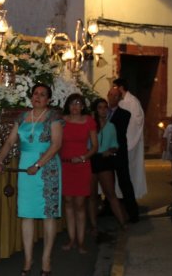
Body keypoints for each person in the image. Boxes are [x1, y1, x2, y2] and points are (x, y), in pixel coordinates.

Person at [0, 83, 63, 276]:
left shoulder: (54, 117)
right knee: (26, 214)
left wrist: (38, 165)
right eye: (35, 94)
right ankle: (27, 260)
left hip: (47, 168)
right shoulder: (22, 117)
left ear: (48, 99)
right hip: (26, 168)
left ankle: (46, 260)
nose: (37, 97)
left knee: (48, 215)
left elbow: (56, 145)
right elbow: (9, 142)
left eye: (42, 94)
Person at [60, 93, 98, 253]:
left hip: (82, 165)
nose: (75, 106)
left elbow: (95, 146)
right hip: (65, 165)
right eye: (72, 103)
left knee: (80, 204)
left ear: (83, 106)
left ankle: (81, 242)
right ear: (68, 105)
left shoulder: (89, 121)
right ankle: (71, 239)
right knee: (68, 203)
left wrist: (83, 157)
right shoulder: (61, 121)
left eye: (78, 104)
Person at [88, 98, 127, 233]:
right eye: (100, 107)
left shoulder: (111, 126)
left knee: (111, 194)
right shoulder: (91, 125)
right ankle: (93, 226)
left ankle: (123, 223)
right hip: (91, 159)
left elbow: (115, 145)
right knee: (92, 196)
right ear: (95, 109)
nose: (103, 110)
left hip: (105, 161)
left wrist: (110, 151)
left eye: (105, 107)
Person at [107, 86, 140, 222]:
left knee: (124, 182)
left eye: (116, 96)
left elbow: (118, 131)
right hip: (104, 153)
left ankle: (132, 212)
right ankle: (109, 208)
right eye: (111, 95)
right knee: (107, 182)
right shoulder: (102, 112)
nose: (112, 98)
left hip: (119, 152)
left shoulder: (125, 114)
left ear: (120, 98)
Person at [112, 78, 147, 199]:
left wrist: (124, 141)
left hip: (129, 143)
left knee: (128, 173)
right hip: (122, 143)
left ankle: (127, 199)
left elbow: (133, 124)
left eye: (114, 87)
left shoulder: (132, 102)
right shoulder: (122, 101)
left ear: (121, 88)